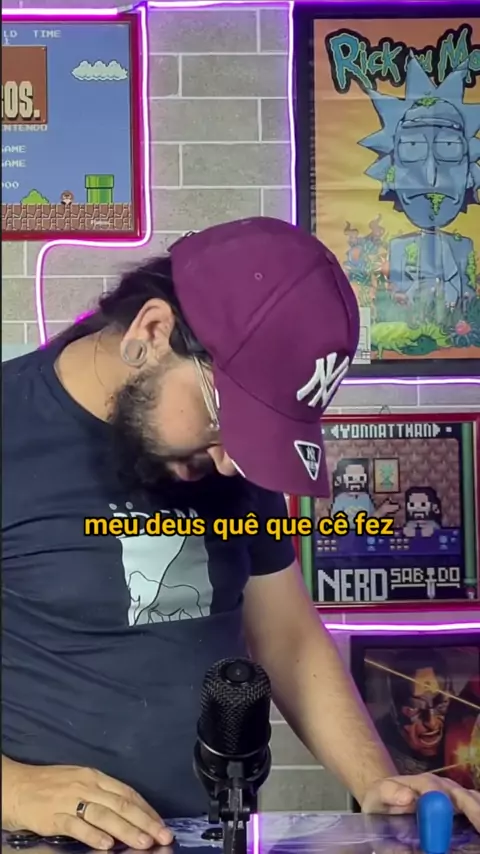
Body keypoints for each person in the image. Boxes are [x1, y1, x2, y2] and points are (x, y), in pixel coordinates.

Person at [2, 218, 479, 849]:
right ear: (152, 332)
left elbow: (286, 635)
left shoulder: (228, 459)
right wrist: (13, 789)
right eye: (226, 422)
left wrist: (377, 783)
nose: (232, 462)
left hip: (208, 837)